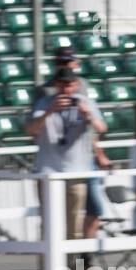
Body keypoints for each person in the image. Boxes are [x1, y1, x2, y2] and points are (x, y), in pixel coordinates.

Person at [25, 69, 107, 247]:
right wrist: (49, 111)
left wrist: (88, 116)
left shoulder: (86, 103)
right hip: (48, 171)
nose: (66, 89)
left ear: (76, 85)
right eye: (62, 84)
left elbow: (101, 128)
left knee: (74, 226)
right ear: (56, 85)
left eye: (69, 84)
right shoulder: (43, 104)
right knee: (49, 223)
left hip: (76, 173)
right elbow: (31, 130)